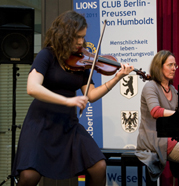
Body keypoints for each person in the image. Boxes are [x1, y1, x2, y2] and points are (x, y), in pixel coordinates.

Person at [11, 10, 134, 186]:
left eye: (83, 37)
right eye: (77, 37)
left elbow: (90, 95)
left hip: (67, 124)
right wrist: (68, 101)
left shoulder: (82, 59)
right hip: (41, 122)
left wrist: (117, 78)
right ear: (63, 34)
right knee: (29, 177)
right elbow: (32, 88)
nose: (81, 42)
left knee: (98, 166)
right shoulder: (47, 55)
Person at [135, 50, 179, 185]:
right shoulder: (150, 86)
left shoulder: (173, 91)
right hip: (154, 138)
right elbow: (155, 111)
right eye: (170, 65)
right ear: (159, 66)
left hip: (169, 137)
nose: (174, 68)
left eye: (175, 65)